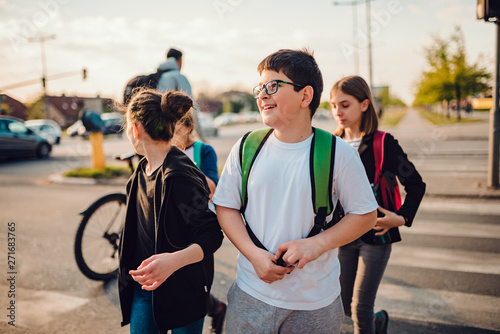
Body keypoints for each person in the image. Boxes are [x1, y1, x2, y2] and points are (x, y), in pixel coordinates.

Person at [212, 49, 379, 334]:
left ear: (305, 96)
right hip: (250, 295)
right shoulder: (246, 146)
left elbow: (365, 214)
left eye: (273, 86)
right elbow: (226, 207)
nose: (262, 95)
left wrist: (317, 244)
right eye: (259, 88)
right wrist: (253, 254)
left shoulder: (338, 153)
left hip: (314, 304)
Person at [118, 88, 223, 334]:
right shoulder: (141, 170)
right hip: (146, 288)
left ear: (136, 129)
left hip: (183, 290)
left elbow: (211, 234)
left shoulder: (180, 176)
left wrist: (172, 262)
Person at [330, 75, 426, 334]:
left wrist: (402, 218)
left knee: (361, 308)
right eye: (333, 105)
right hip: (342, 235)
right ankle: (379, 322)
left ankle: (372, 321)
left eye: (345, 104)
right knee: (343, 306)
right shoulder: (330, 144)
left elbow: (416, 184)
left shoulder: (384, 143)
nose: (337, 111)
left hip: (377, 235)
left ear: (364, 105)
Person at [173, 113, 227, 334]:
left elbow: (212, 187)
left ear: (188, 127)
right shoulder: (163, 150)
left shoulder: (203, 151)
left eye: (175, 127)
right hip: (173, 227)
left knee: (193, 286)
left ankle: (216, 308)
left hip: (196, 227)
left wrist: (182, 162)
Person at [157, 47, 205, 141]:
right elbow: (192, 108)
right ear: (179, 61)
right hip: (174, 136)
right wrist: (202, 137)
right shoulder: (179, 77)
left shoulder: (158, 77)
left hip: (156, 134)